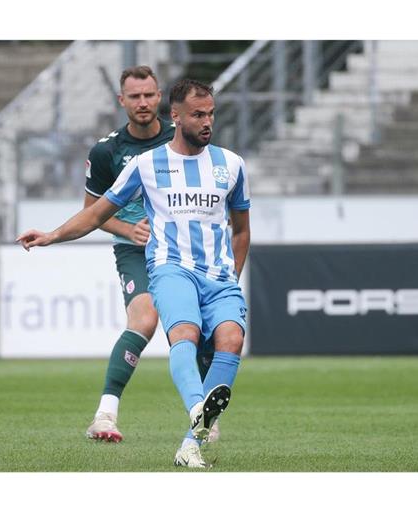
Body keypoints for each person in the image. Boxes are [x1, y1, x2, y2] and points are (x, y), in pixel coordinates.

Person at [17, 78, 251, 469]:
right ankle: (197, 409)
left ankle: (190, 445)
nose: (207, 121)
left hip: (220, 275)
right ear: (175, 116)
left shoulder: (232, 164)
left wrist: (232, 279)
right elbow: (95, 213)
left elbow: (241, 229)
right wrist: (52, 235)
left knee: (231, 339)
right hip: (171, 269)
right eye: (198, 115)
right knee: (185, 334)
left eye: (211, 113)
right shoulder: (146, 165)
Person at [81, 65, 174, 443]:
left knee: (196, 325)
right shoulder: (106, 151)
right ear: (122, 101)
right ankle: (105, 414)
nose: (143, 102)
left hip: (182, 248)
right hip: (134, 250)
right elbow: (92, 213)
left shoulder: (180, 138)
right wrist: (126, 228)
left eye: (149, 95)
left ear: (159, 96)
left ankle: (203, 416)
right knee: (145, 319)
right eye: (134, 97)